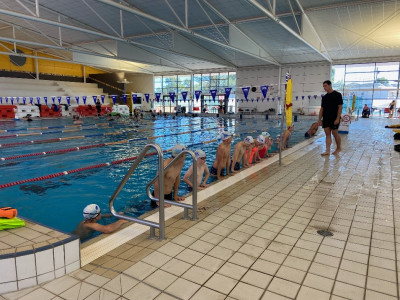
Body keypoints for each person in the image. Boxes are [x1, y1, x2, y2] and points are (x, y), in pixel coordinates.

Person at [318, 80, 343, 155]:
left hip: (334, 117)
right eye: (323, 86)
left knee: (335, 133)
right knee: (327, 134)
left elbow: (340, 107)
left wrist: (338, 118)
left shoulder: (337, 95)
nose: (324, 87)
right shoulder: (324, 97)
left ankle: (338, 148)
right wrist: (319, 119)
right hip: (326, 118)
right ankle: (327, 151)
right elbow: (322, 109)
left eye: (325, 86)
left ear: (330, 85)